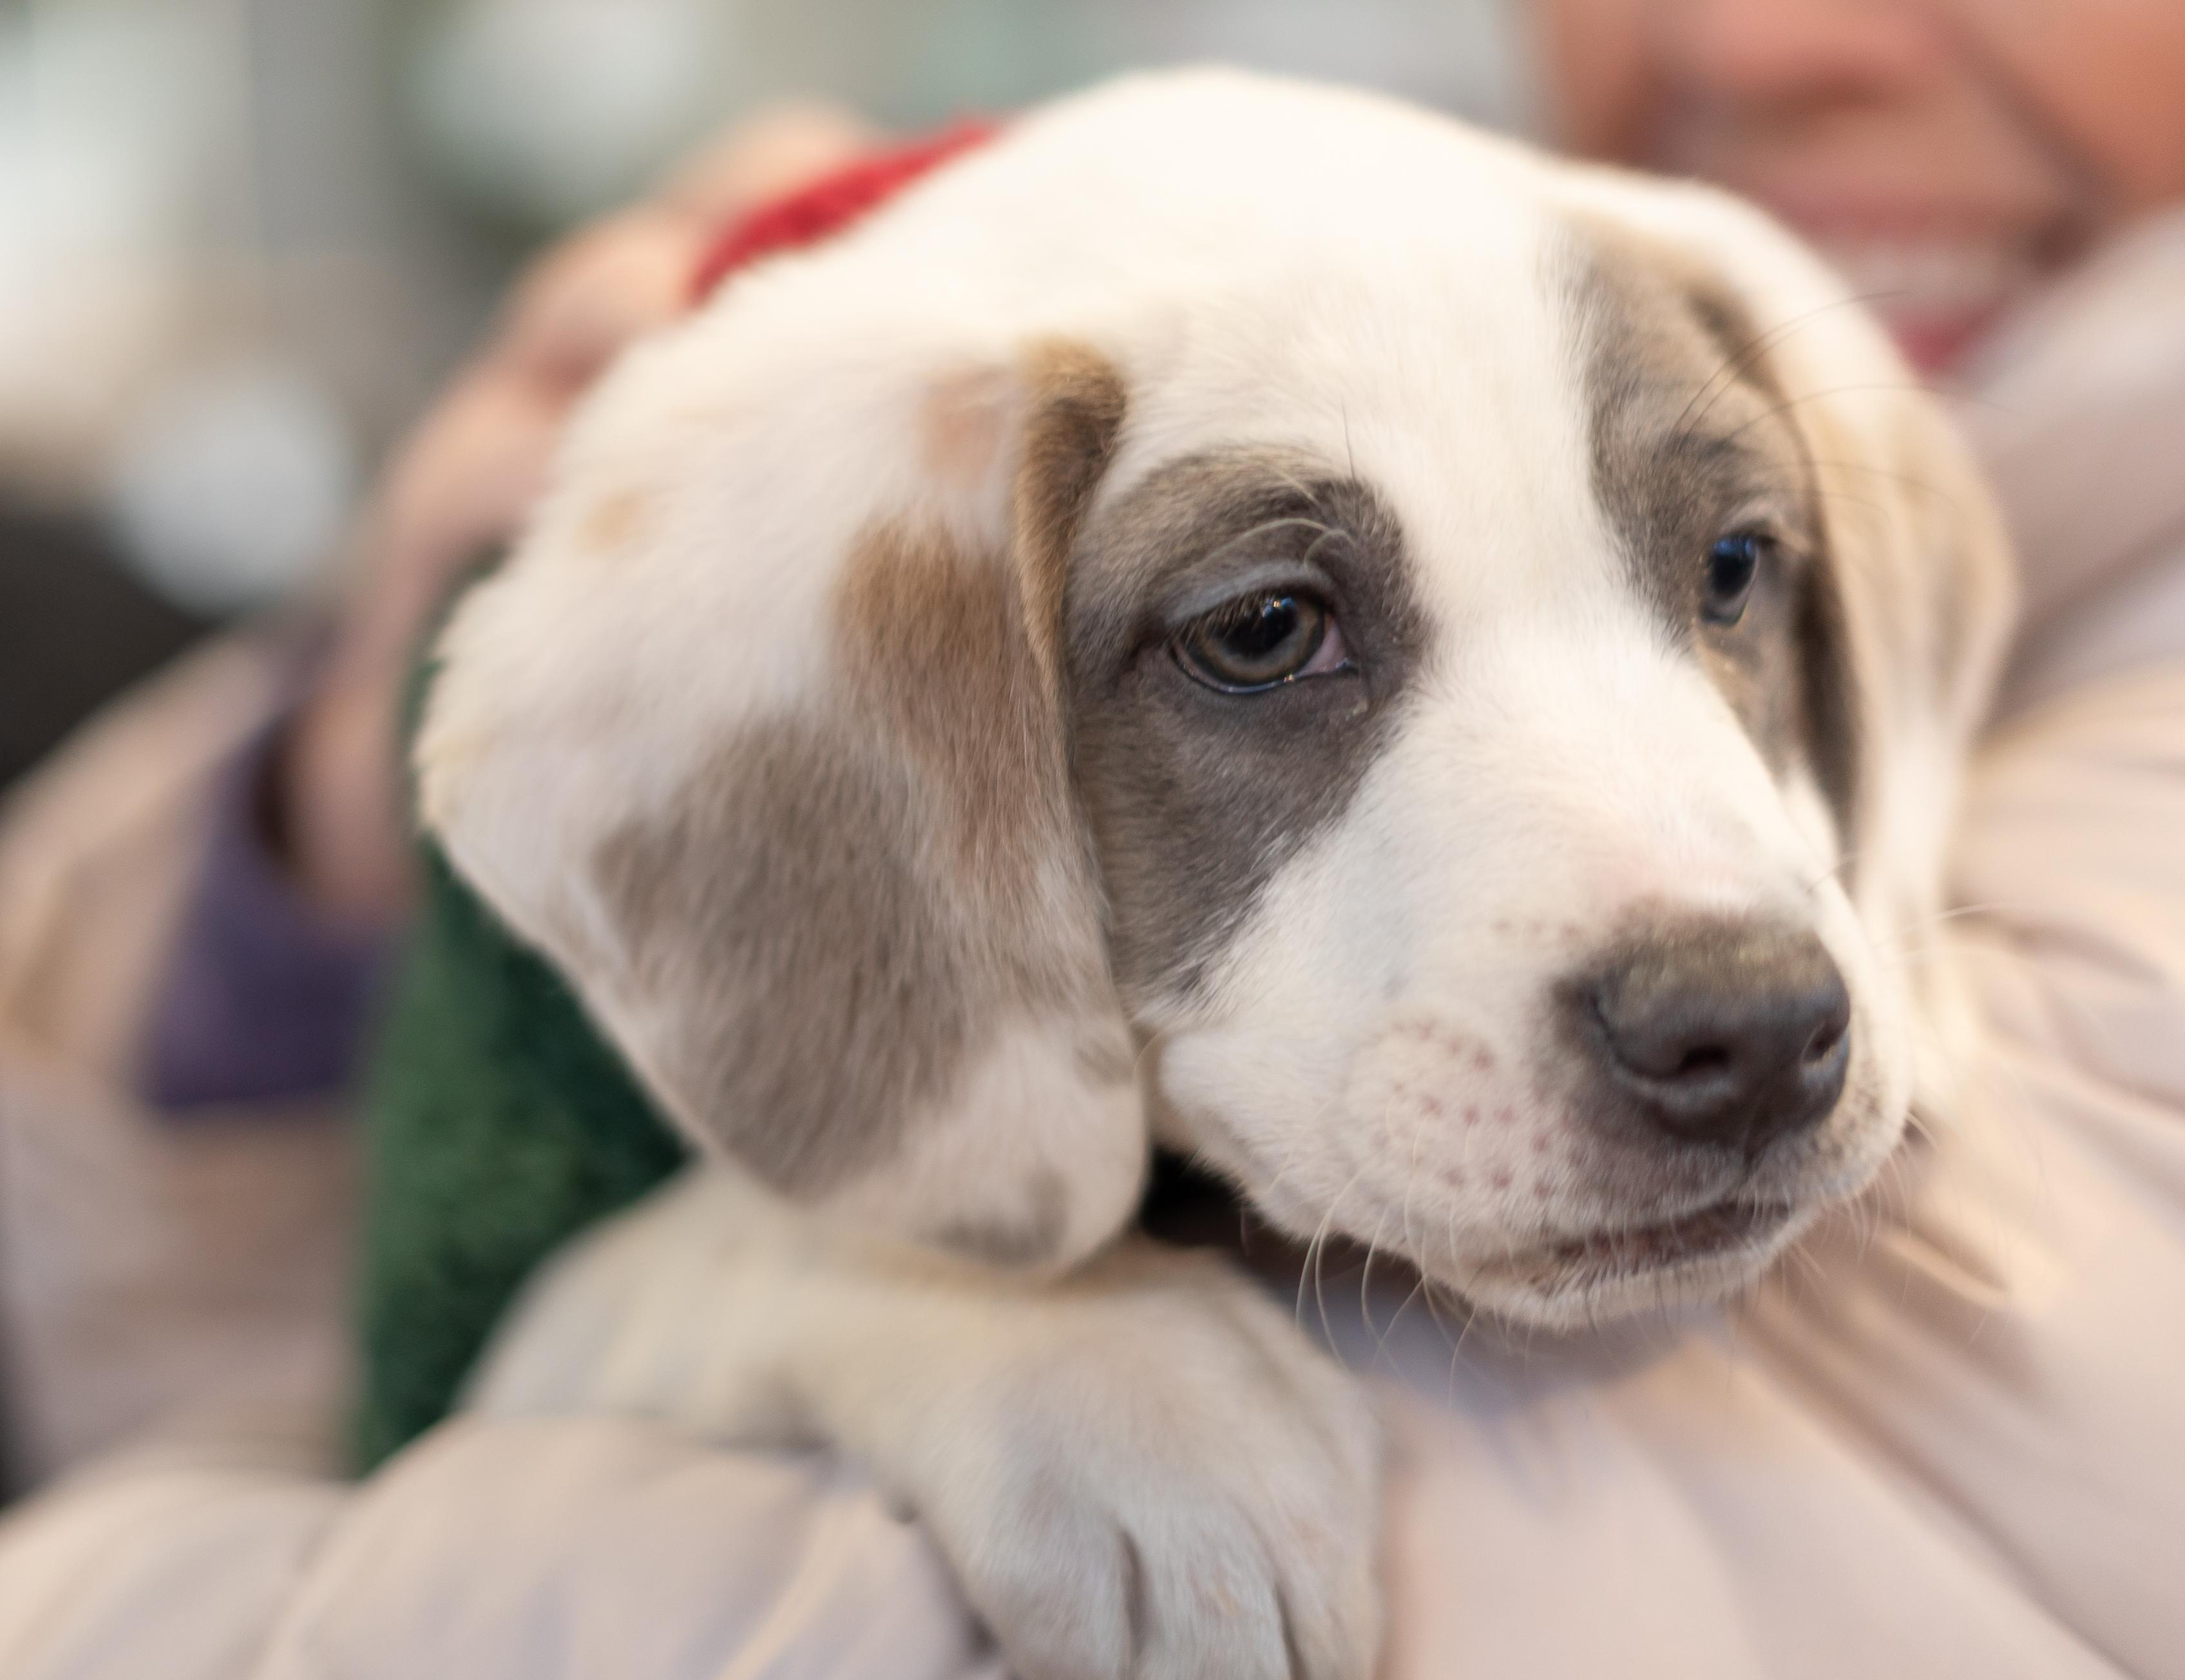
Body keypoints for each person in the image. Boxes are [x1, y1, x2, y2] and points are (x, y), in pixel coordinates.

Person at [1, 3, 2181, 1672]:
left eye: (1725, 577)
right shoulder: (1386, 277)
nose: (1758, 38)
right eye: (1269, 628)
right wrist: (318, 852)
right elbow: (282, 1340)